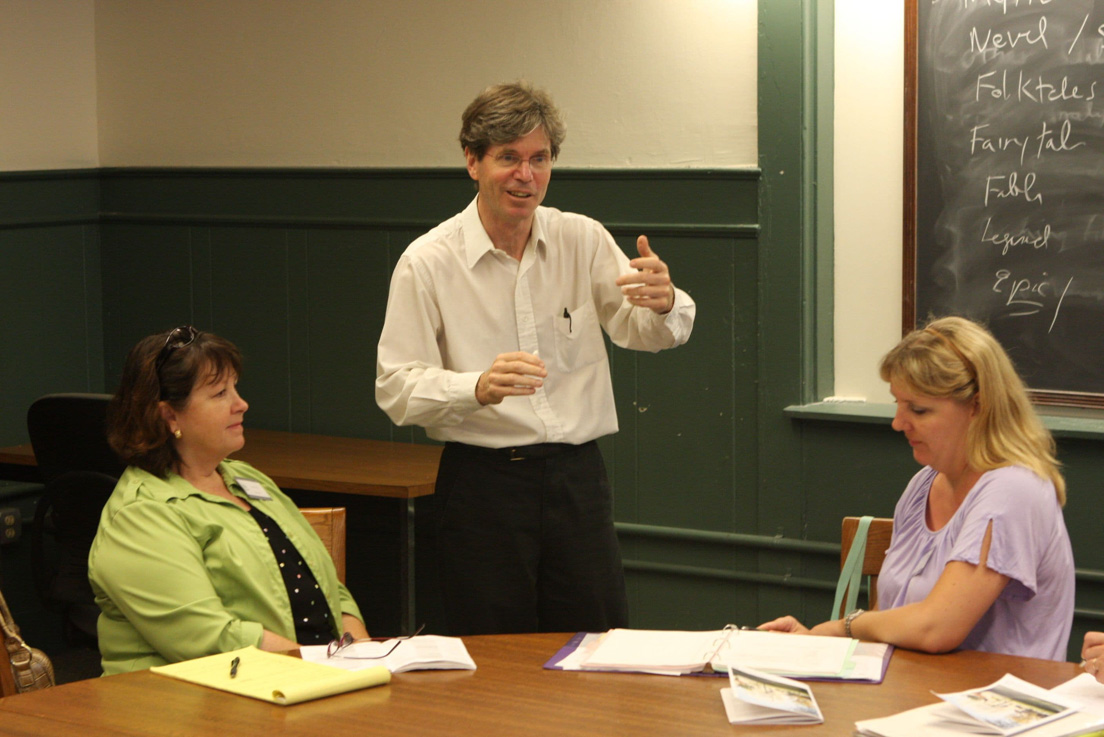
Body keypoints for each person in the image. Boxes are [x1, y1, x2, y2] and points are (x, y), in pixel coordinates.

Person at [375, 81, 696, 635]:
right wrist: (475, 386)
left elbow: (645, 331)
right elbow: (396, 389)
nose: (526, 175)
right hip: (482, 486)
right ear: (472, 162)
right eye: (508, 158)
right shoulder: (426, 262)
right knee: (493, 663)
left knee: (597, 647)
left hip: (578, 481)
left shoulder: (582, 238)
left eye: (539, 159)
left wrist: (666, 302)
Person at [760, 316, 1074, 660]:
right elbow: (892, 619)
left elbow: (936, 628)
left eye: (919, 410)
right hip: (911, 695)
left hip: (993, 705)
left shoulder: (1015, 489)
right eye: (898, 403)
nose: (898, 423)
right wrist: (815, 646)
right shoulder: (924, 483)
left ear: (978, 406)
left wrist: (843, 627)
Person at [89, 326, 369, 675]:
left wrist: (364, 654)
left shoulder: (245, 478)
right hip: (187, 704)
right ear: (169, 416)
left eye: (235, 387)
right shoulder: (140, 515)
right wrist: (324, 667)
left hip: (303, 677)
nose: (241, 404)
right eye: (220, 393)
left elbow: (330, 590)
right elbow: (209, 638)